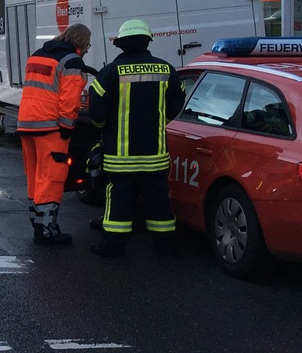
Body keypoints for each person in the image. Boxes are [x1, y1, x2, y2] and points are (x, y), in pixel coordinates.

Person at [88, 19, 186, 257]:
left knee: (119, 201)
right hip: (155, 155)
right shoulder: (166, 69)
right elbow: (178, 100)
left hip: (121, 156)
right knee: (158, 199)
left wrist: (103, 129)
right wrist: (160, 121)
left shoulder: (110, 72)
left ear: (121, 45)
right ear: (147, 41)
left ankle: (113, 247)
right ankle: (165, 247)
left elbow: (97, 110)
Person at [16, 23, 91, 244]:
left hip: (27, 123)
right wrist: (68, 129)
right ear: (79, 42)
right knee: (52, 177)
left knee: (35, 175)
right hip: (50, 127)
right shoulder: (72, 61)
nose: (87, 49)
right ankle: (46, 229)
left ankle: (37, 222)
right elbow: (69, 101)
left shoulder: (38, 55)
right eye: (87, 44)